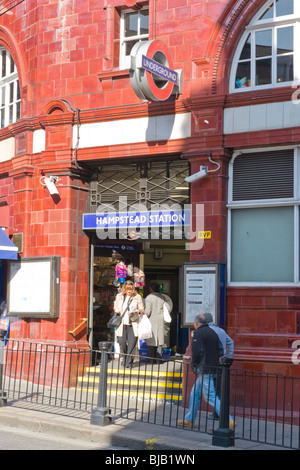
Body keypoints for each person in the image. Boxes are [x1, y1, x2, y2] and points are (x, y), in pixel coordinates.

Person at [177, 314, 236, 430]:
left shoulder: (198, 333)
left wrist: (194, 364)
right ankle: (189, 420)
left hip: (205, 369)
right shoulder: (214, 332)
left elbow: (196, 351)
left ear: (197, 323)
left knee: (210, 396)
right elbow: (220, 349)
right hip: (214, 368)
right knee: (195, 393)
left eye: (194, 323)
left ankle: (228, 419)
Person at [203, 312, 234, 420]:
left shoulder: (207, 332)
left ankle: (220, 414)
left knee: (212, 390)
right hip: (222, 363)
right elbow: (231, 342)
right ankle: (220, 413)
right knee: (219, 388)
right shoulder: (221, 330)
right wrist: (229, 357)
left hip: (210, 363)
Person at [114, 280, 144, 368]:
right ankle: (124, 357)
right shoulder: (119, 296)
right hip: (121, 323)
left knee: (132, 343)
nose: (129, 291)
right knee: (122, 342)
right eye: (127, 289)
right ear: (124, 289)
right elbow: (115, 306)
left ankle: (129, 362)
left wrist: (138, 311)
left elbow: (142, 309)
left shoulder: (137, 297)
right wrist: (116, 309)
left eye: (130, 289)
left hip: (133, 323)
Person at [144, 282, 166, 363]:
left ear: (151, 288)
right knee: (159, 341)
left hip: (152, 320)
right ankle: (159, 360)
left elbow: (148, 311)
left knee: (152, 341)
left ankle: (151, 360)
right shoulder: (162, 297)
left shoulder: (149, 297)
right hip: (160, 320)